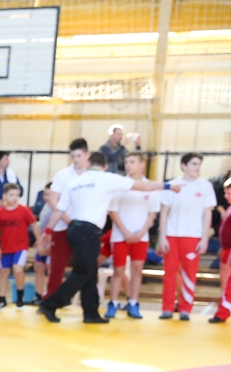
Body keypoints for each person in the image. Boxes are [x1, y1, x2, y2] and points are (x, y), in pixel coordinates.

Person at [38, 151, 169, 324]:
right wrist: (167, 186)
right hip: (88, 231)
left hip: (74, 229)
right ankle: (50, 304)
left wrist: (48, 231)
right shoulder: (107, 178)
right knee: (83, 272)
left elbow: (59, 210)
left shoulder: (75, 182)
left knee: (90, 271)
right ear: (105, 166)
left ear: (88, 164)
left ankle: (91, 312)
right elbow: (141, 186)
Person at [158, 152, 216, 320]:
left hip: (193, 237)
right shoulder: (172, 185)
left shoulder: (205, 186)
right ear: (184, 166)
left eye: (199, 164)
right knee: (169, 274)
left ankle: (185, 309)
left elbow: (207, 213)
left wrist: (204, 238)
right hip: (172, 235)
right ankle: (167, 308)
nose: (197, 167)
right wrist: (162, 237)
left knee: (190, 274)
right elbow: (164, 212)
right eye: (194, 164)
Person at [105, 152, 159, 319]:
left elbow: (152, 213)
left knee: (137, 270)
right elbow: (112, 211)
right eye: (127, 162)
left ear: (142, 165)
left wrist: (141, 232)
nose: (128, 165)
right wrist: (125, 232)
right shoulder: (119, 185)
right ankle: (113, 303)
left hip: (141, 237)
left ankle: (133, 303)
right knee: (118, 271)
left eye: (132, 162)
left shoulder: (151, 186)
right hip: (120, 236)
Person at [45, 138, 91, 293]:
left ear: (87, 155)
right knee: (56, 268)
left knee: (86, 268)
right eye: (73, 156)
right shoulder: (63, 175)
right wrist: (68, 221)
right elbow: (53, 200)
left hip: (86, 228)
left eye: (79, 156)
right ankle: (51, 299)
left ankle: (85, 301)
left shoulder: (93, 176)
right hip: (62, 227)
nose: (75, 160)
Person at [0, 183, 38, 310]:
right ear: (4, 196)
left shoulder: (24, 210)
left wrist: (40, 240)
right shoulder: (0, 212)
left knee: (17, 269)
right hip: (5, 247)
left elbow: (34, 225)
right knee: (3, 272)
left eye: (17, 195)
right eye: (11, 195)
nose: (15, 198)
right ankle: (1, 299)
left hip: (20, 246)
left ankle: (20, 296)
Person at [210, 176, 231, 323]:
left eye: (229, 193)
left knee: (230, 282)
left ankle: (223, 312)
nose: (226, 196)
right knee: (227, 280)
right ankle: (223, 311)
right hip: (228, 248)